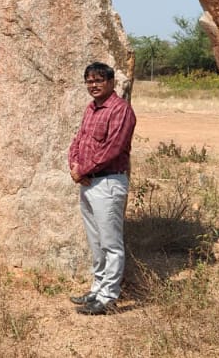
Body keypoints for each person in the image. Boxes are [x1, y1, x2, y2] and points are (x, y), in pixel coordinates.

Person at [67, 62, 136, 316]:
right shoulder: (91, 108)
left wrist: (83, 169)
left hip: (108, 183)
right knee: (96, 242)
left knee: (111, 244)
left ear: (111, 82)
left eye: (98, 80)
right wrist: (74, 166)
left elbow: (113, 148)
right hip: (88, 183)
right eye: (89, 81)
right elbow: (78, 140)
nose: (93, 85)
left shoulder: (121, 110)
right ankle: (97, 289)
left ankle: (108, 297)